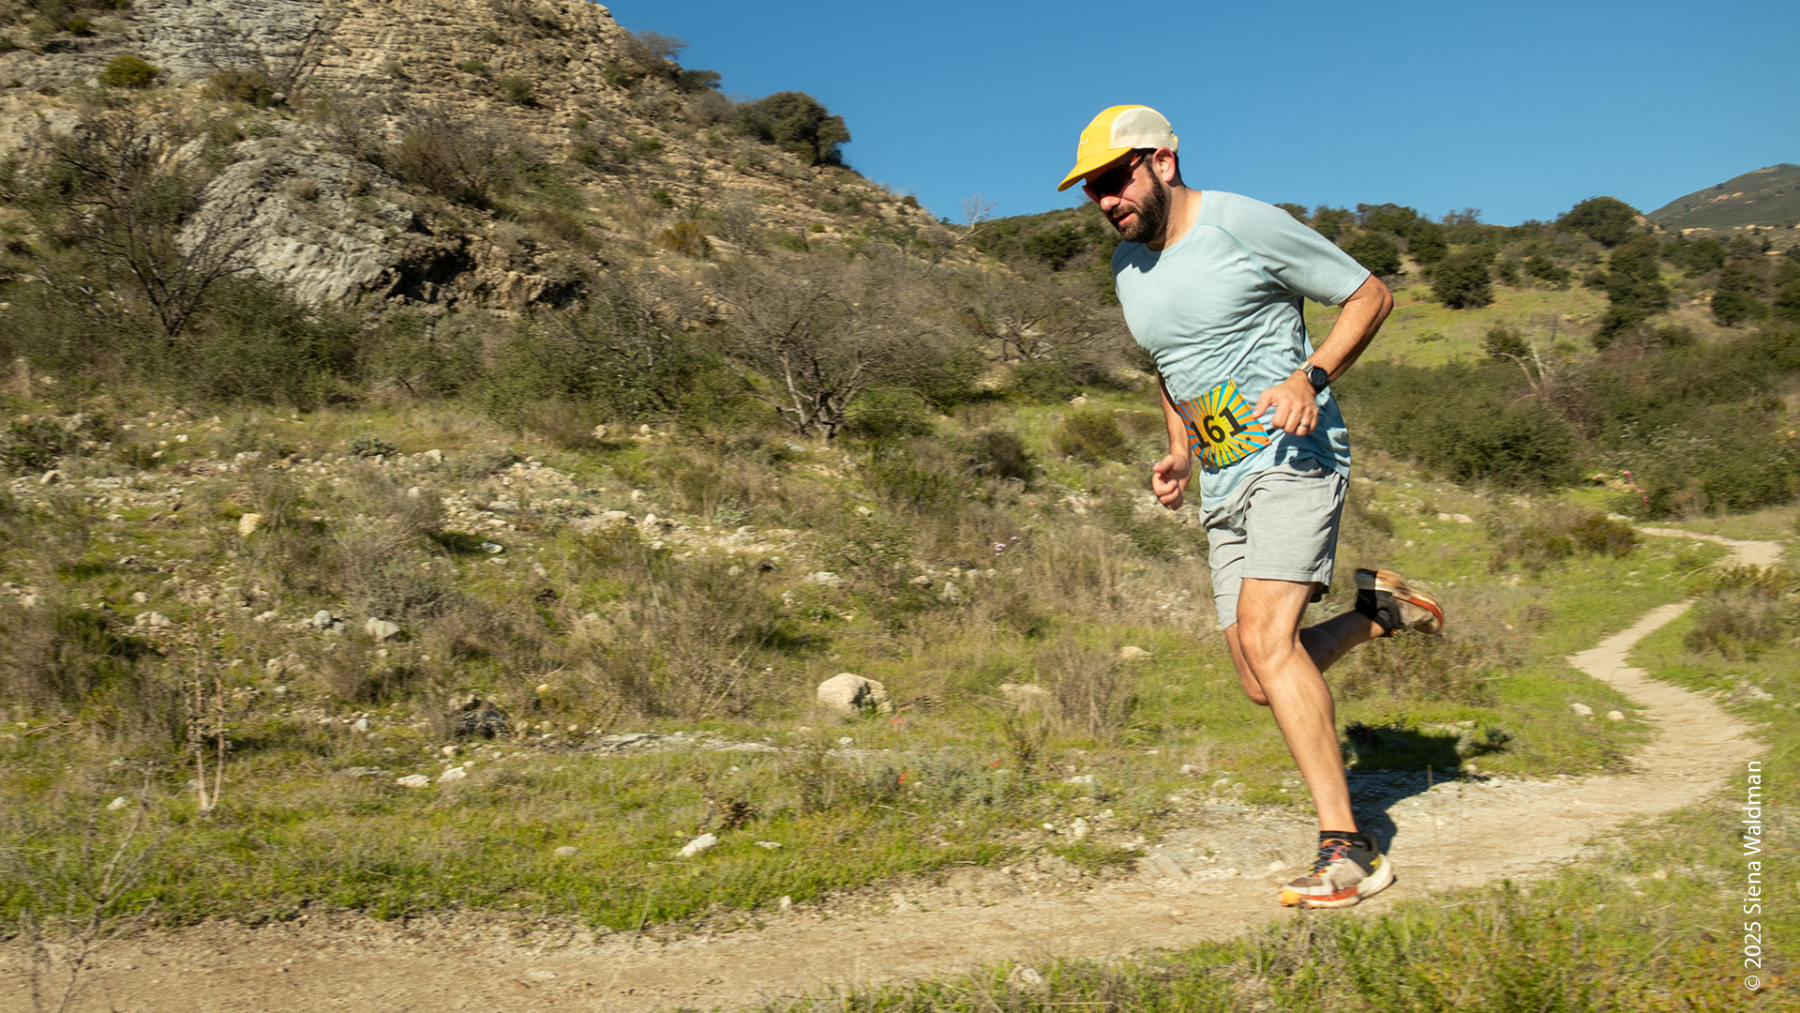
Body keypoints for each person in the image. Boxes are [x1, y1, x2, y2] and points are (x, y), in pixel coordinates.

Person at [1056, 105, 1444, 909]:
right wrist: (1179, 449)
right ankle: (1378, 612)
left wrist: (1310, 376)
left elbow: (1370, 295)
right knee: (1260, 675)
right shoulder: (1127, 267)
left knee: (1270, 640)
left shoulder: (1241, 222)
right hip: (1222, 477)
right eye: (1092, 188)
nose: (1105, 199)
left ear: (1162, 161)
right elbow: (1172, 366)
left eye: (1115, 178)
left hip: (1294, 455)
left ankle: (1348, 848)